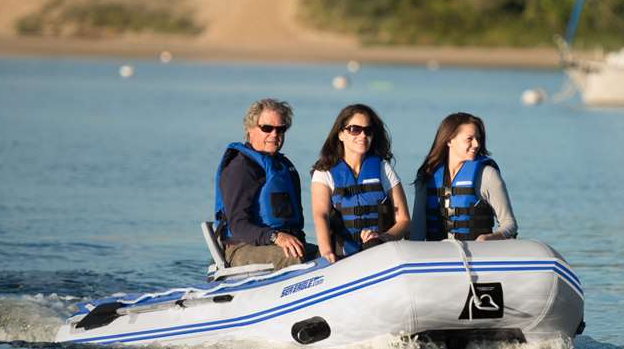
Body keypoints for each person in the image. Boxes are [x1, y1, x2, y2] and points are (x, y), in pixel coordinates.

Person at [214, 98, 315, 270]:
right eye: (267, 128)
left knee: (330, 255)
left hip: (284, 244)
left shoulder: (284, 168)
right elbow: (238, 225)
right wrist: (276, 237)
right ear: (250, 130)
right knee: (295, 259)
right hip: (243, 248)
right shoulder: (241, 168)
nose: (274, 134)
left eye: (280, 129)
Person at [310, 104, 410, 263]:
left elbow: (404, 219)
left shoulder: (384, 169)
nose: (362, 135)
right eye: (355, 129)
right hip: (341, 256)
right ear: (341, 134)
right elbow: (320, 215)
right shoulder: (324, 173)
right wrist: (326, 253)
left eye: (368, 130)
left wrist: (382, 238)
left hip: (378, 251)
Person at [410, 112, 517, 241]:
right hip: (437, 255)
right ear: (449, 140)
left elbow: (509, 224)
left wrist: (491, 237)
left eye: (478, 138)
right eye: (469, 139)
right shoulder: (426, 177)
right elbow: (417, 232)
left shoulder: (487, 175)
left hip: (477, 253)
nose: (477, 144)